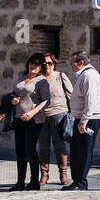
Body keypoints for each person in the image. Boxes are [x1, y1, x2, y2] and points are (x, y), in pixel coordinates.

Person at [0, 52, 48, 191]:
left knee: (30, 150)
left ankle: (34, 182)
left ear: (41, 67)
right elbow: (15, 94)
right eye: (31, 62)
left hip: (34, 119)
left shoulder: (42, 81)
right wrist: (10, 103)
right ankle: (20, 182)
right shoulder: (21, 76)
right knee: (20, 150)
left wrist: (32, 112)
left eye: (37, 64)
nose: (33, 65)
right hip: (19, 118)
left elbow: (46, 100)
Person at [64, 50, 100, 191]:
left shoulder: (88, 76)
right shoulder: (84, 75)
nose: (70, 65)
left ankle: (81, 183)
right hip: (81, 118)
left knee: (84, 150)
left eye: (72, 62)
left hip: (89, 119)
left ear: (81, 63)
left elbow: (91, 100)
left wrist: (84, 121)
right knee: (76, 150)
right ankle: (77, 181)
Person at [35, 52, 73, 187]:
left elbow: (71, 96)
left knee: (59, 146)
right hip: (42, 116)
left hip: (59, 115)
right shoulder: (38, 79)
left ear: (54, 63)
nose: (47, 66)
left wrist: (73, 114)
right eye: (44, 64)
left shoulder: (61, 76)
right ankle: (44, 174)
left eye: (49, 63)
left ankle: (63, 173)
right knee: (43, 146)